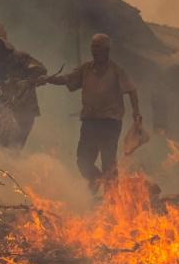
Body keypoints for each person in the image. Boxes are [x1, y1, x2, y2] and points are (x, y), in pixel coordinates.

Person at [46, 33, 141, 193]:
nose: (95, 51)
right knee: (83, 160)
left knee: (108, 161)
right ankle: (96, 179)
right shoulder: (85, 69)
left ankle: (112, 200)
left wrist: (136, 114)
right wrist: (48, 79)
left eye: (98, 48)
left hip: (110, 122)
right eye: (93, 47)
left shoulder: (116, 70)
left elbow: (131, 90)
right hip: (90, 121)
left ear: (107, 50)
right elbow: (68, 79)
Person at [0, 22, 47, 149]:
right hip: (6, 110)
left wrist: (25, 82)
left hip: (25, 109)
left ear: (2, 43)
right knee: (2, 146)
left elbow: (41, 69)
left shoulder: (19, 57)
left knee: (14, 147)